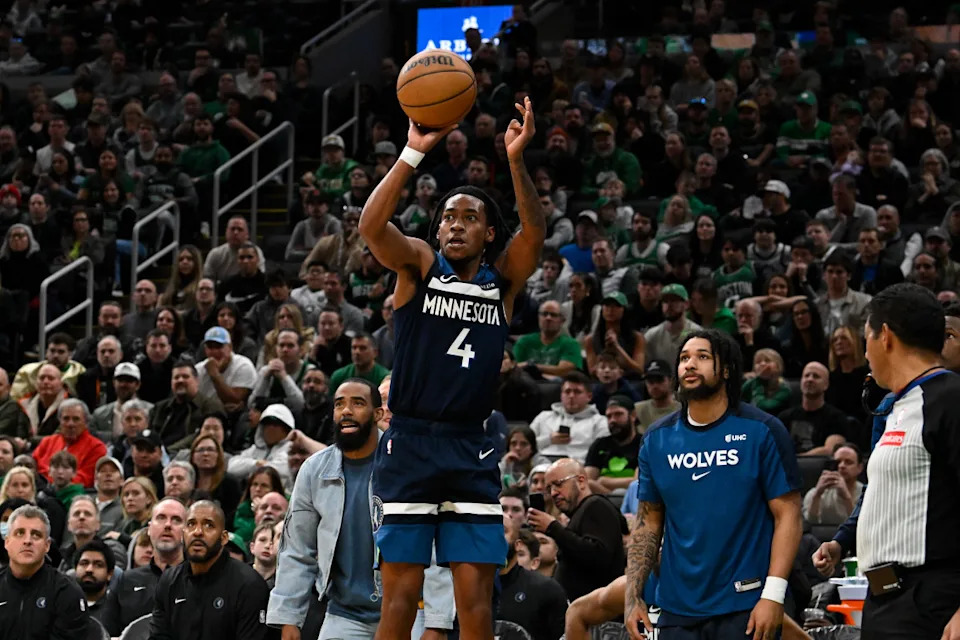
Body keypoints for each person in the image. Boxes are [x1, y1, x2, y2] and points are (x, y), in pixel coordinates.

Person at [357, 97, 543, 640]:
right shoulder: (417, 265)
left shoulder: (502, 281)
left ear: (489, 234)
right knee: (399, 599)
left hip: (471, 445)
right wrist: (412, 153)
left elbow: (533, 234)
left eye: (470, 218)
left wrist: (515, 160)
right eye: (447, 218)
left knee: (475, 604)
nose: (455, 226)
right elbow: (372, 228)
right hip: (412, 440)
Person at [624, 329, 802, 640]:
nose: (689, 365)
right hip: (676, 609)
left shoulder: (762, 430)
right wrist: (633, 597)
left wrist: (773, 595)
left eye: (702, 357)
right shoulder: (656, 439)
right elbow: (648, 522)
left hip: (745, 603)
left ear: (728, 369)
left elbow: (788, 514)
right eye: (683, 358)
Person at [811, 284, 960, 640]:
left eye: (867, 339)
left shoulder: (950, 399)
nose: (866, 352)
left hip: (932, 600)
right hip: (883, 599)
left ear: (886, 337)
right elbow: (882, 493)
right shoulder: (895, 406)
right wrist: (842, 541)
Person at [268, 379, 454, 640]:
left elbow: (435, 546)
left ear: (378, 414)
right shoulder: (313, 471)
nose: (346, 411)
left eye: (357, 403)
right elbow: (298, 548)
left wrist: (437, 622)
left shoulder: (409, 466)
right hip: (345, 613)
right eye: (339, 404)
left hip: (411, 609)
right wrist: (288, 618)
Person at [149, 500, 271, 639]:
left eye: (209, 525)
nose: (198, 532)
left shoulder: (249, 585)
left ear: (224, 538)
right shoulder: (169, 581)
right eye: (191, 524)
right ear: (183, 535)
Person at [526, 458, 626, 601]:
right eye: (549, 488)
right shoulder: (580, 512)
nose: (553, 493)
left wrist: (553, 528)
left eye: (558, 484)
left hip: (597, 613)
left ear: (580, 481)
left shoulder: (595, 505)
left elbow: (599, 555)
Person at [0, 505, 91, 637]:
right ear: (7, 542)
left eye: (36, 535)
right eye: (20, 533)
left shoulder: (66, 591)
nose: (27, 541)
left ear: (47, 545)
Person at [101, 498, 187, 636]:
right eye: (161, 518)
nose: (168, 525)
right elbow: (107, 633)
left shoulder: (201, 580)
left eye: (176, 520)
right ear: (149, 529)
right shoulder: (126, 580)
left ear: (187, 531)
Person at [496, 514, 569, 640]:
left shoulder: (546, 589)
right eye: (488, 531)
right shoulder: (465, 588)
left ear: (518, 544)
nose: (494, 536)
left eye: (502, 531)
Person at [529, 372, 609, 462]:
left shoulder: (599, 422)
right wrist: (548, 439)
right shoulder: (543, 417)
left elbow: (601, 453)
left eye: (577, 392)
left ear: (589, 396)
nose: (571, 396)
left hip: (578, 468)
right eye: (567, 391)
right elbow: (525, 445)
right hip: (541, 467)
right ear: (561, 395)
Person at [778, 362, 849, 456]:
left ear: (826, 385)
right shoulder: (785, 417)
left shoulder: (836, 417)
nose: (810, 379)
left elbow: (830, 450)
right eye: (806, 376)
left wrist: (795, 459)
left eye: (816, 376)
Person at [32, 399, 107, 489]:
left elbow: (84, 480)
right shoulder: (47, 442)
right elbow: (31, 469)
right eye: (66, 418)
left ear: (86, 422)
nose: (70, 424)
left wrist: (46, 475)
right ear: (59, 421)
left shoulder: (97, 448)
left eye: (76, 419)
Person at [584, 396, 641, 495]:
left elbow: (638, 482)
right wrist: (612, 498)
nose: (612, 420)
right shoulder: (599, 445)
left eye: (618, 414)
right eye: (609, 416)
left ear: (633, 415)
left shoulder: (645, 443)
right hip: (602, 500)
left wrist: (603, 481)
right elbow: (586, 482)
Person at [228, 403, 294, 488]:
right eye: (266, 424)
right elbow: (231, 467)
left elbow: (283, 470)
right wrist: (255, 463)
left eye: (275, 425)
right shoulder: (255, 449)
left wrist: (262, 466)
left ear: (286, 428)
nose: (270, 429)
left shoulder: (291, 449)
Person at [514, 300, 583, 379]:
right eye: (544, 314)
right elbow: (513, 367)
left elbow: (563, 371)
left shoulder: (571, 344)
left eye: (553, 315)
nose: (548, 318)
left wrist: (531, 366)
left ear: (562, 321)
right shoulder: (524, 341)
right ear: (538, 317)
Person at [803, 442, 864, 526]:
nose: (841, 466)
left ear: (859, 468)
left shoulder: (866, 494)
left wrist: (846, 497)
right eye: (838, 462)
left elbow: (860, 525)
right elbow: (810, 523)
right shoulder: (814, 493)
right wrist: (817, 494)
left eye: (848, 462)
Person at [74, 538, 115, 621]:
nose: (89, 569)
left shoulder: (116, 609)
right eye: (84, 563)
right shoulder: (62, 603)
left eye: (98, 565)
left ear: (109, 574)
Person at [634, 359, 680, 432]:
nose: (655, 386)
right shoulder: (639, 410)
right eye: (650, 382)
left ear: (670, 380)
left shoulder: (683, 409)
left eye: (659, 380)